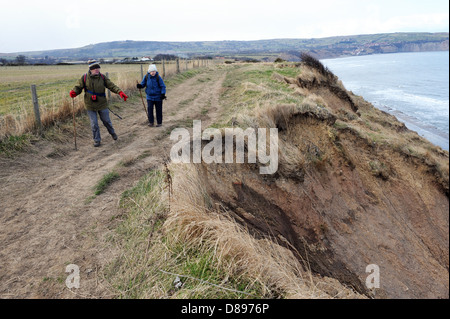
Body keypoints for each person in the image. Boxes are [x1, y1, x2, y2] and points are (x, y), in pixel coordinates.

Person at [69, 59, 128, 147]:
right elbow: (78, 87)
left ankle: (112, 133)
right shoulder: (84, 78)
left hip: (102, 104)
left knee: (106, 121)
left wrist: (120, 92)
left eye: (98, 67)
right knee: (94, 124)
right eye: (94, 68)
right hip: (90, 104)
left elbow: (112, 86)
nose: (96, 69)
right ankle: (97, 140)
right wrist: (74, 92)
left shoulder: (103, 77)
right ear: (90, 69)